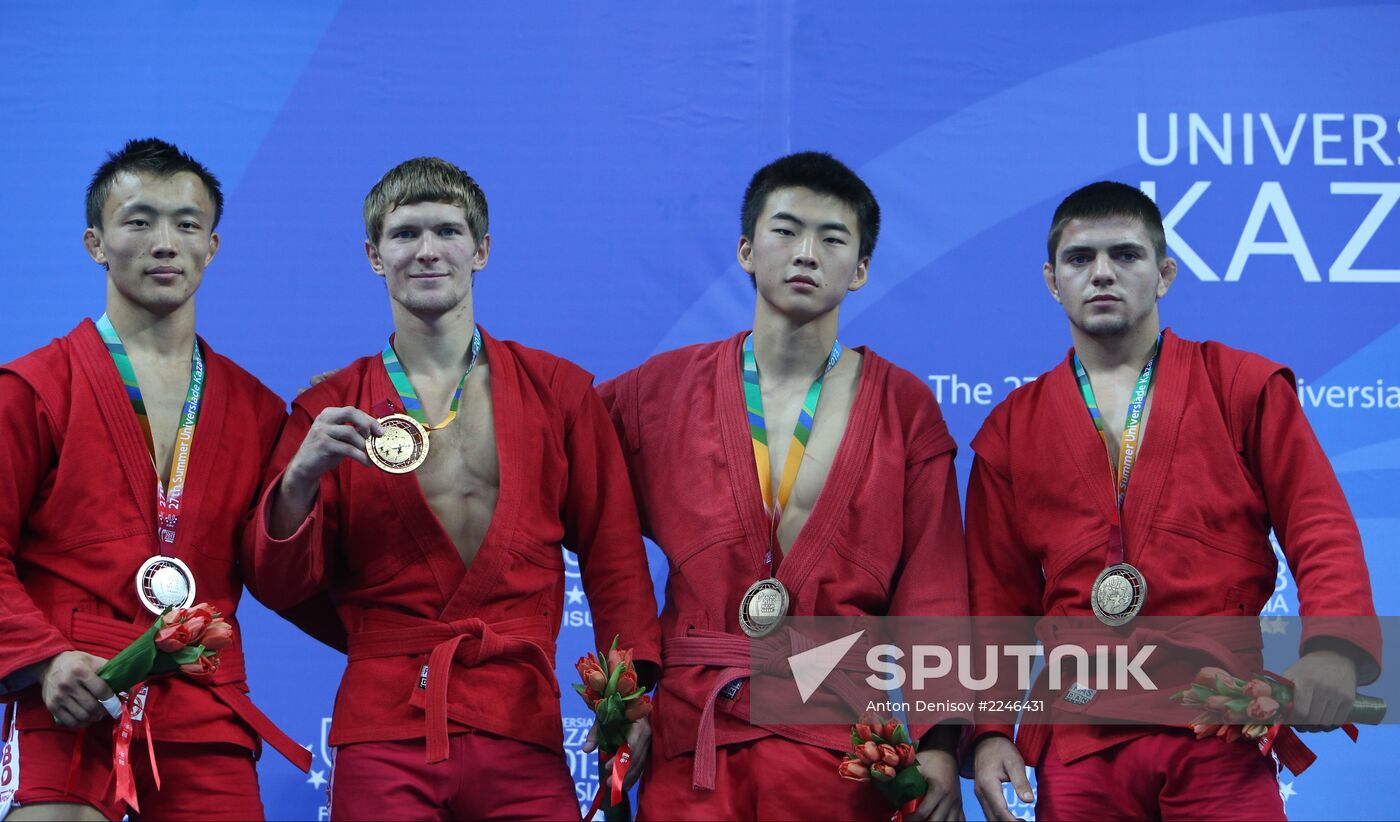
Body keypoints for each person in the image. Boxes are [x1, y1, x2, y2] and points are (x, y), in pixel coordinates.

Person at [244, 156, 661, 820]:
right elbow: (278, 584)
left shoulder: (560, 392)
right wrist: (300, 477)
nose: (428, 250)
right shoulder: (329, 409)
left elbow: (616, 561)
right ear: (375, 255)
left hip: (521, 723)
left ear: (482, 249)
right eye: (405, 234)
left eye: (447, 230)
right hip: (385, 725)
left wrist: (631, 696)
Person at [966, 181, 1380, 821]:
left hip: (1218, 726)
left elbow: (1318, 523)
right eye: (1080, 259)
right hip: (1077, 740)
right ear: (1052, 280)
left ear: (1164, 274)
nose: (1102, 272)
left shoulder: (1241, 386)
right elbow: (995, 601)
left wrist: (1334, 647)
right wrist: (990, 728)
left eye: (1126, 255)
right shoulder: (1010, 430)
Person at [598, 151, 967, 821]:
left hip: (843, 749)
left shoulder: (905, 407)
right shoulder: (657, 391)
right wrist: (629, 685)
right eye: (786, 231)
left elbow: (935, 590)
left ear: (859, 270)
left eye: (832, 239)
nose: (806, 253)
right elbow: (555, 471)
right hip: (694, 740)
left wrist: (942, 741)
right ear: (746, 249)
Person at [0, 138, 309, 821]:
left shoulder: (258, 411)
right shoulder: (32, 390)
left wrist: (313, 468)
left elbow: (282, 573)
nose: (164, 242)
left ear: (213, 247)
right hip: (72, 692)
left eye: (186, 223)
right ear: (96, 243)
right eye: (139, 221)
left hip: (205, 708)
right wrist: (45, 661)